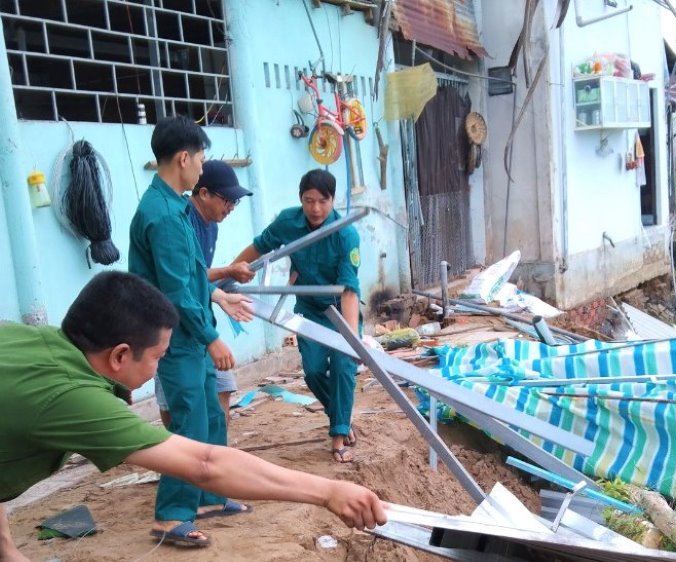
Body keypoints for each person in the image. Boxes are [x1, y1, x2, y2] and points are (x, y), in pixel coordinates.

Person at [0, 272, 386, 559]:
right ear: (119, 355)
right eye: (157, 356)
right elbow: (204, 463)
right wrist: (328, 491)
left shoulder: (28, 341)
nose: (158, 366)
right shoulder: (72, 399)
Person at [128, 116, 254, 543]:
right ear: (184, 158)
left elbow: (196, 275)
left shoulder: (176, 205)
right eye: (200, 158)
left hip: (191, 334)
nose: (202, 166)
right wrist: (210, 336)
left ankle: (210, 495)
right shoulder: (162, 215)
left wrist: (217, 303)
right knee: (187, 425)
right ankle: (170, 514)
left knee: (210, 418)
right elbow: (177, 291)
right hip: (175, 337)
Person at [232, 169, 361, 463]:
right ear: (300, 200)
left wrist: (352, 341)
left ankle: (338, 439)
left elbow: (349, 290)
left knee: (343, 366)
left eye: (322, 201)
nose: (315, 209)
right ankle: (341, 417)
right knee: (314, 371)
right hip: (309, 310)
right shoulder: (288, 222)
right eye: (308, 201)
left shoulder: (345, 234)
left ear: (333, 200)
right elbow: (260, 245)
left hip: (340, 309)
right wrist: (230, 270)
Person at [154, 160, 255, 433]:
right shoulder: (176, 219)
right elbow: (180, 280)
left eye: (235, 201)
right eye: (228, 200)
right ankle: (181, 454)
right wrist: (228, 272)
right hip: (174, 327)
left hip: (198, 320)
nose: (231, 207)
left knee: (221, 389)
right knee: (180, 405)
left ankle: (215, 455)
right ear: (204, 193)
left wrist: (219, 296)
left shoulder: (211, 225)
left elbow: (196, 277)